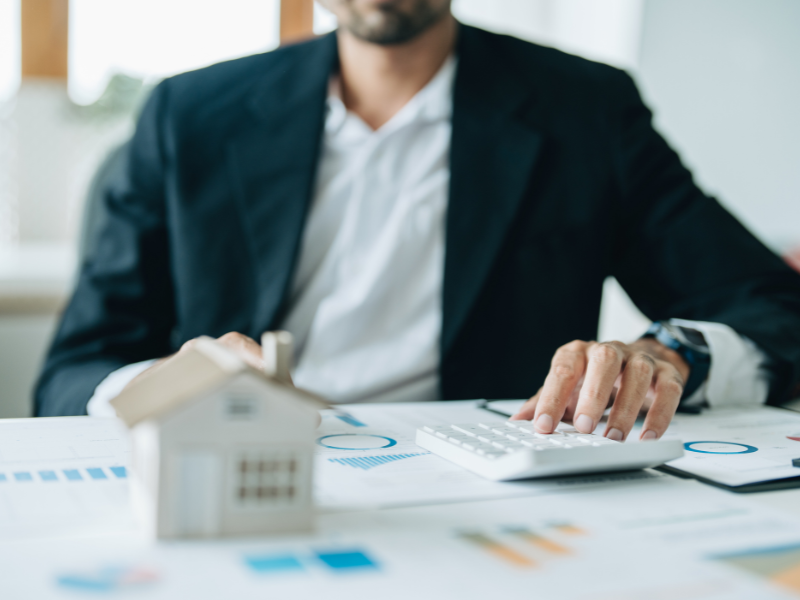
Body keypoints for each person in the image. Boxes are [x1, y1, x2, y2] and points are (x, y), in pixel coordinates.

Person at [35, 0, 800, 443]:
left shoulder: (585, 112)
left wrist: (670, 355)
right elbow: (71, 373)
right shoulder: (189, 115)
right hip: (246, 472)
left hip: (490, 489)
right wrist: (169, 387)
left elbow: (773, 307)